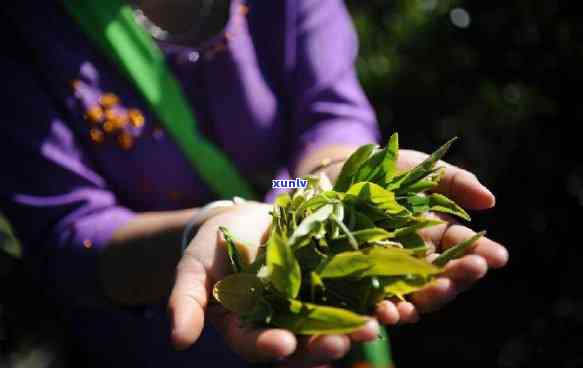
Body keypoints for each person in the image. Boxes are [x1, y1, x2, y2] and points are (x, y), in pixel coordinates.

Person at [0, 0, 508, 367]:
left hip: (322, 296)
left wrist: (317, 185)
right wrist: (207, 226)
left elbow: (329, 114)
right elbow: (65, 233)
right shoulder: (26, 31)